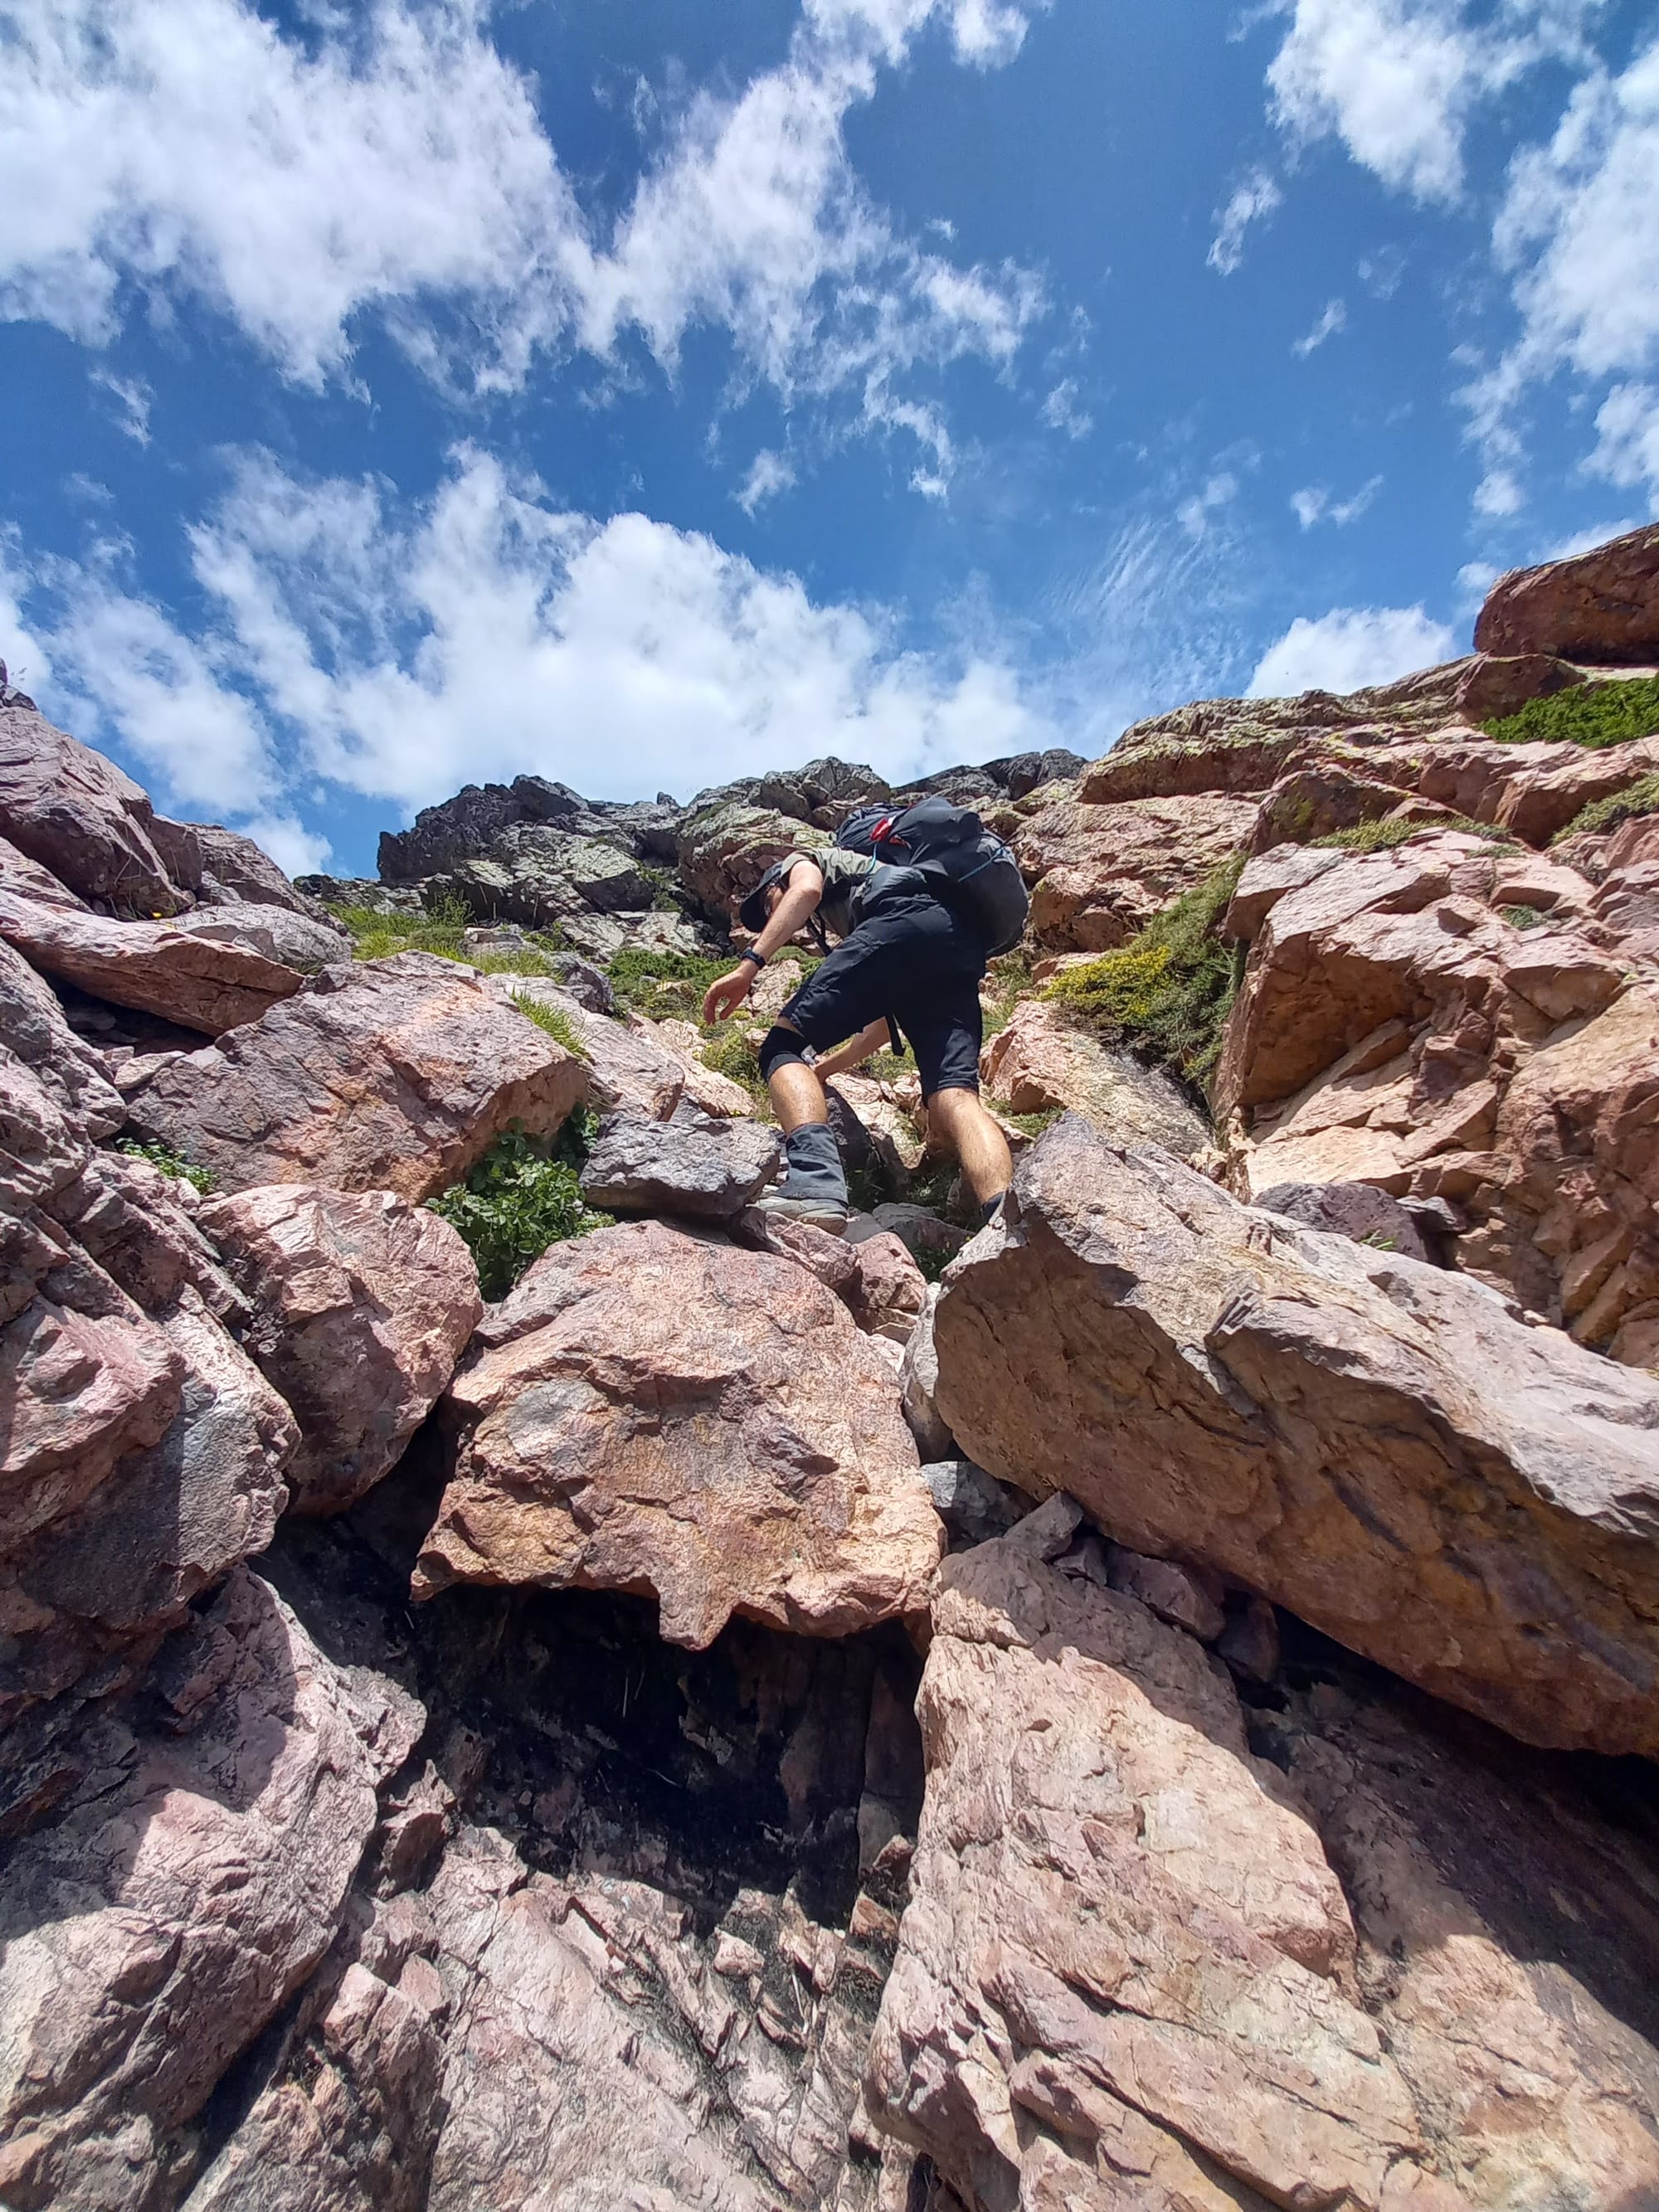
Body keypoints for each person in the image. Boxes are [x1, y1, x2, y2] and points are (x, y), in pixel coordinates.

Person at [701, 843, 1013, 1234]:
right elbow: (882, 1026)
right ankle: (1008, 1222)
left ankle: (814, 1183)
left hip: (904, 920)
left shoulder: (803, 861)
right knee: (955, 1095)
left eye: (767, 905)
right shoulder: (889, 890)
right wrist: (823, 1070)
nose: (769, 915)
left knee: (783, 1047)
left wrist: (749, 966)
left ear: (775, 882)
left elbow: (805, 892)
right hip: (957, 942)